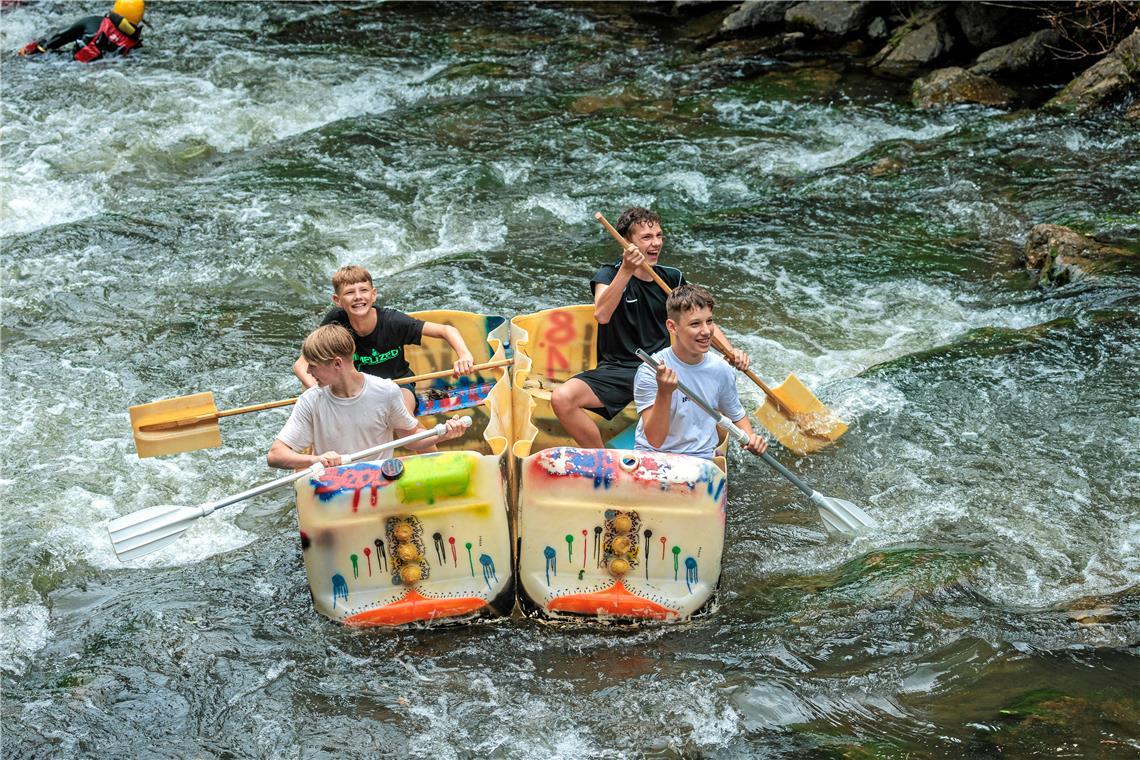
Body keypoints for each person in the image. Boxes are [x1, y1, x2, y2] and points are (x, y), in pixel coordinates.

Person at [551, 206, 749, 448]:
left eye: (659, 236)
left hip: (663, 366)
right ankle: (603, 461)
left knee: (709, 390)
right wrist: (626, 270)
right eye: (646, 237)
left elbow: (700, 319)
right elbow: (602, 314)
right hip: (618, 369)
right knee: (562, 398)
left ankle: (709, 450)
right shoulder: (608, 274)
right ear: (626, 242)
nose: (656, 243)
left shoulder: (672, 277)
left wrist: (730, 352)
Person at [268, 324, 467, 470]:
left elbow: (411, 441)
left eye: (313, 365)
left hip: (378, 482)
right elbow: (275, 455)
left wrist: (443, 433)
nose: (308, 372)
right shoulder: (310, 400)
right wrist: (316, 460)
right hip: (332, 487)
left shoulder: (386, 391)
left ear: (337, 364)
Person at [292, 265, 475, 416]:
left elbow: (446, 330)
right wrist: (320, 390)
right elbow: (301, 366)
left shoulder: (393, 321)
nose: (357, 297)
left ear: (373, 294)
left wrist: (464, 355)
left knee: (401, 413)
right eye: (349, 292)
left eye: (363, 290)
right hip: (357, 389)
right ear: (337, 300)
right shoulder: (335, 322)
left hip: (397, 384)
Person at [634, 285, 768, 460]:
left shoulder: (722, 369)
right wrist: (664, 393)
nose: (706, 331)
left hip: (699, 458)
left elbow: (736, 414)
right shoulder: (650, 371)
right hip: (653, 455)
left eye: (709, 321)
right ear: (672, 327)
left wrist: (751, 438)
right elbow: (655, 440)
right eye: (695, 324)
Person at [17, 0, 144, 62]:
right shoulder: (135, 44)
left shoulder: (94, 22)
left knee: (34, 50)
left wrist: (38, 48)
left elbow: (59, 38)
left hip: (68, 65)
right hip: (105, 73)